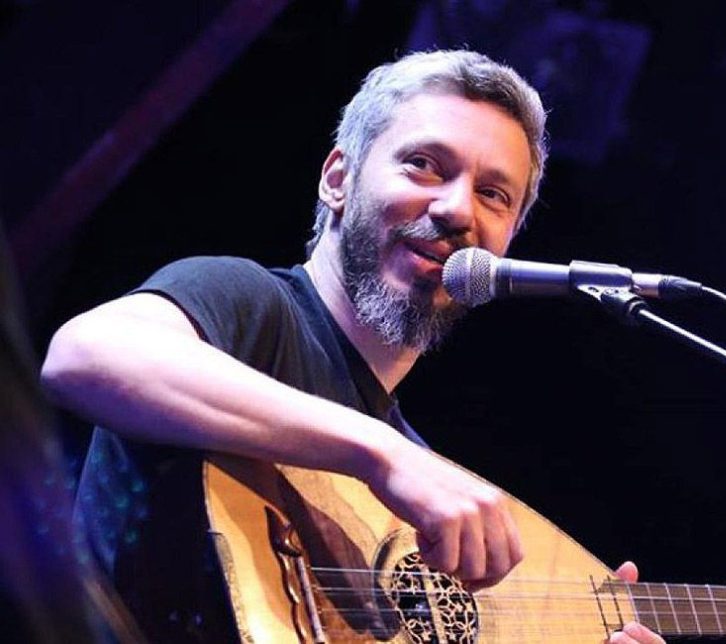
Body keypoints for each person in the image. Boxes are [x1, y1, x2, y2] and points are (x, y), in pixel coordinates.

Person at [41, 49, 662, 643]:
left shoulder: (416, 486)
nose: (457, 209)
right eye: (424, 164)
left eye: (493, 195)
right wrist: (382, 454)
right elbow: (86, 354)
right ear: (338, 180)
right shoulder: (250, 303)